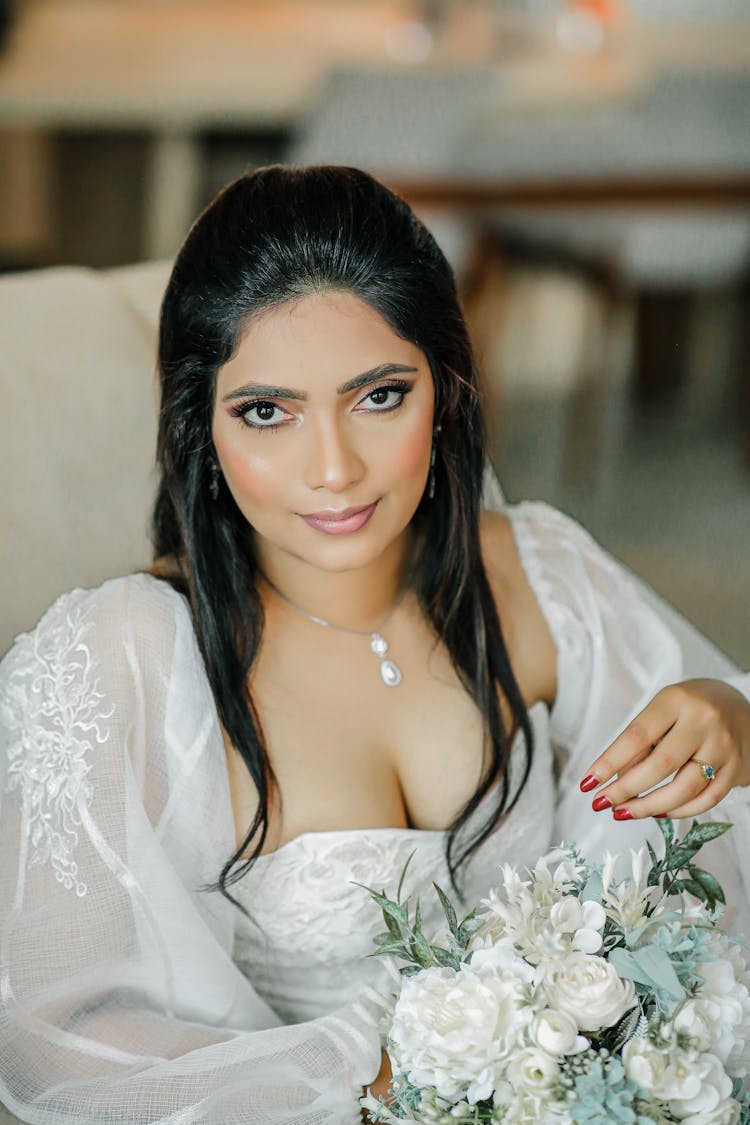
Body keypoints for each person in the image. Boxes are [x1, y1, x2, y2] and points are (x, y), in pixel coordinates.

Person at [1, 165, 749, 1125]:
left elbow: (710, 769)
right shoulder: (127, 660)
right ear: (203, 427)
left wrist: (730, 715)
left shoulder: (538, 574)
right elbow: (52, 1037)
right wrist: (380, 1080)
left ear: (444, 388)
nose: (332, 469)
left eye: (379, 396)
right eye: (266, 411)